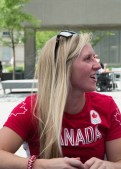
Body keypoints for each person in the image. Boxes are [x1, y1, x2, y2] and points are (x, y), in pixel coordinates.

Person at [0, 30, 121, 169]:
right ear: (63, 67)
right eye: (88, 59)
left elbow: (118, 161)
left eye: (95, 57)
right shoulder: (31, 108)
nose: (98, 66)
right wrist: (39, 165)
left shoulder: (106, 106)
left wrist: (109, 166)